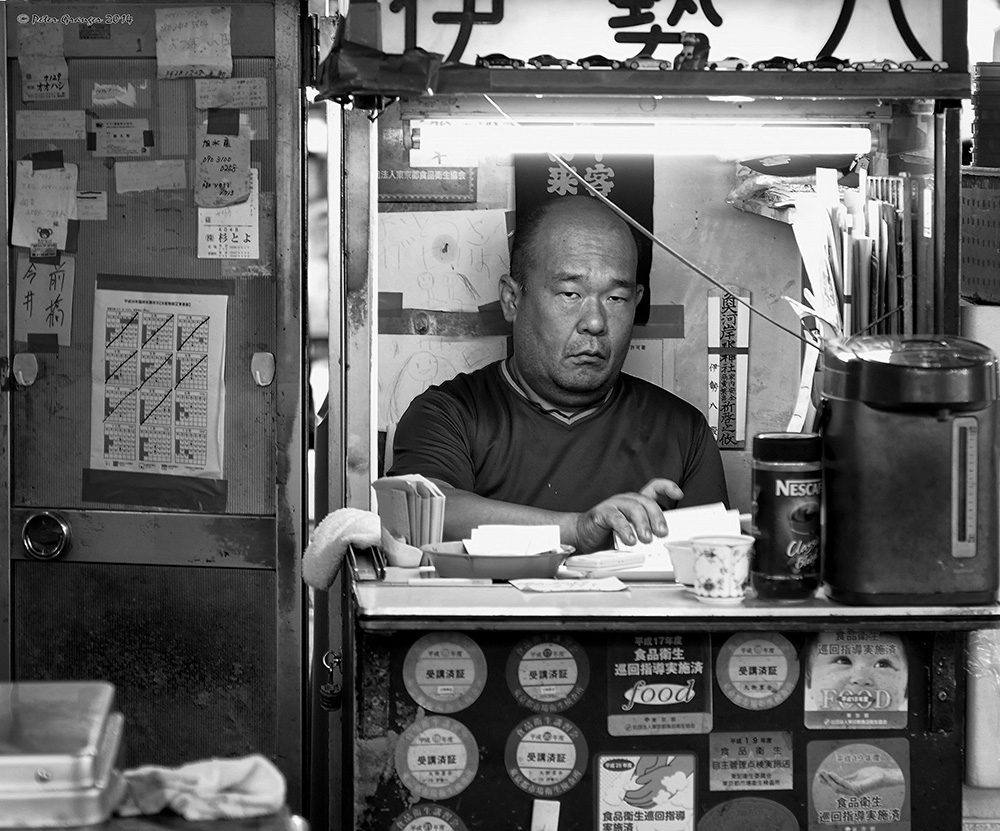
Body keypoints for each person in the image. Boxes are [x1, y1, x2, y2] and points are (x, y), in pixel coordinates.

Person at [388, 195, 729, 553]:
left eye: (616, 298)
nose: (595, 323)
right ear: (511, 299)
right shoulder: (450, 414)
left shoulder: (681, 431)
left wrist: (650, 536)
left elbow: (715, 563)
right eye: (570, 293)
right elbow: (421, 516)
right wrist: (576, 530)